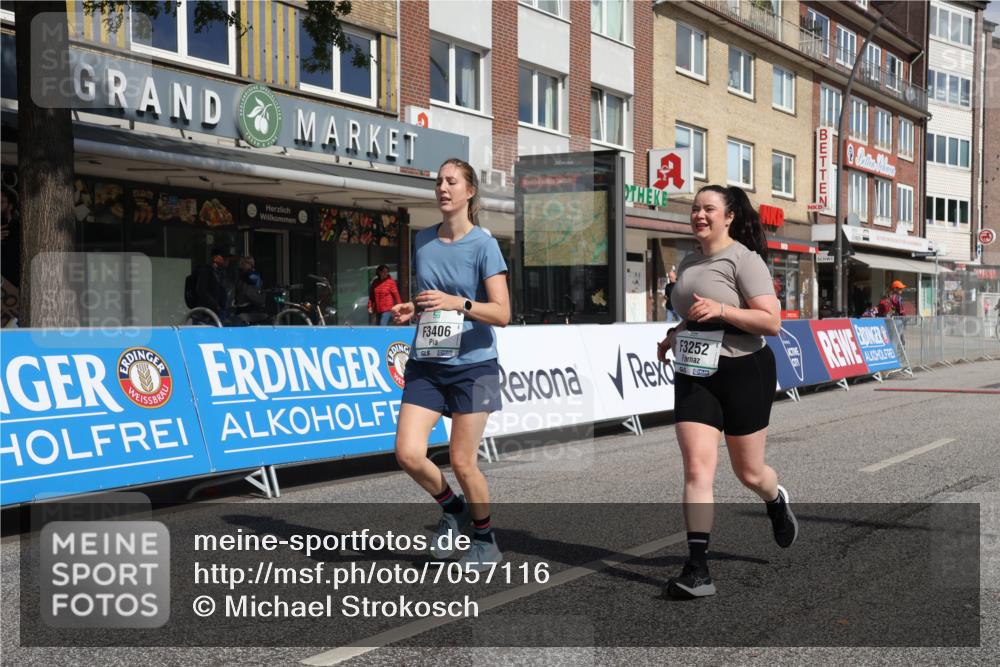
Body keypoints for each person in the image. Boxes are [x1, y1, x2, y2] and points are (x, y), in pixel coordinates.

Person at [656, 184, 798, 600]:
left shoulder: (744, 259)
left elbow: (771, 322)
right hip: (696, 370)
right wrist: (674, 333)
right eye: (696, 209)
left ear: (729, 216)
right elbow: (695, 312)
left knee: (749, 473)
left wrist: (722, 310)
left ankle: (774, 500)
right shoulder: (690, 258)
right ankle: (698, 569)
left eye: (709, 209)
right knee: (697, 470)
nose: (699, 215)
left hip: (743, 369)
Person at [391, 158, 510, 571]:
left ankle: (486, 539)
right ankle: (454, 508)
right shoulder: (423, 239)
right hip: (428, 360)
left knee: (462, 460)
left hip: (476, 366)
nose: (442, 187)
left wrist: (458, 303)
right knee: (407, 453)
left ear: (469, 191)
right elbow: (430, 301)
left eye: (451, 181)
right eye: (438, 181)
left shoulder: (484, 245)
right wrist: (413, 308)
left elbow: (502, 313)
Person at [194, 247, 229, 324]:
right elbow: (202, 291)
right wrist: (216, 306)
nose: (226, 260)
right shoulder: (206, 271)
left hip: (216, 313)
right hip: (206, 314)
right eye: (223, 257)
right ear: (215, 258)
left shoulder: (220, 273)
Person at [233, 256, 267, 324]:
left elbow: (252, 281)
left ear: (249, 264)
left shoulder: (252, 275)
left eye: (243, 264)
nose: (241, 266)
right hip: (242, 307)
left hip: (251, 308)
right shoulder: (242, 276)